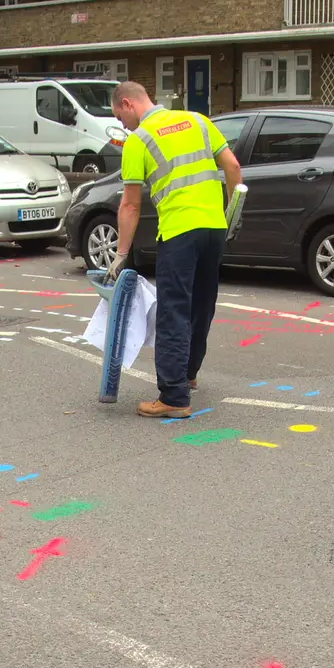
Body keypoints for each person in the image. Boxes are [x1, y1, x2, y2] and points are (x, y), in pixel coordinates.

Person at [107, 81, 243, 419]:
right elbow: (234, 168)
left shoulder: (138, 140)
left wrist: (121, 253)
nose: (123, 125)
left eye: (120, 117)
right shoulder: (198, 120)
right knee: (201, 305)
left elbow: (130, 206)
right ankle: (189, 374)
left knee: (174, 312)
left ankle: (173, 396)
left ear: (127, 104)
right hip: (214, 228)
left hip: (180, 232)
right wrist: (231, 214)